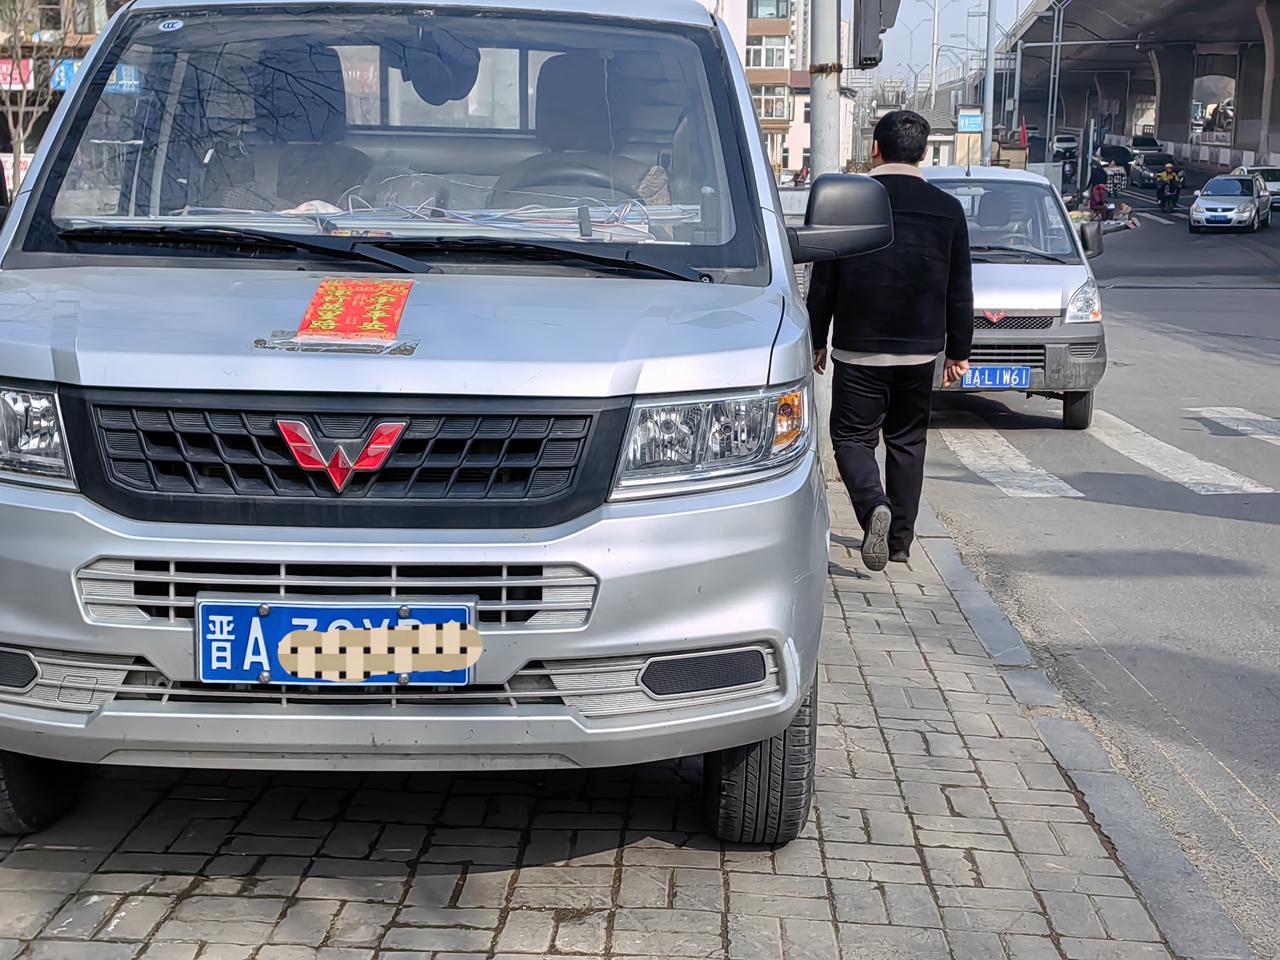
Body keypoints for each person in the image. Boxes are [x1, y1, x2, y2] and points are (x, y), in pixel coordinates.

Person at [807, 110, 974, 571]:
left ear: (875, 149)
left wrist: (817, 336)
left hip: (859, 346)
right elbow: (959, 286)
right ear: (923, 153)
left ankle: (872, 506)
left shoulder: (848, 203)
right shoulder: (947, 209)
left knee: (851, 438)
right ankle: (899, 542)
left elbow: (824, 278)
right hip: (920, 350)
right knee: (907, 441)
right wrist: (959, 351)